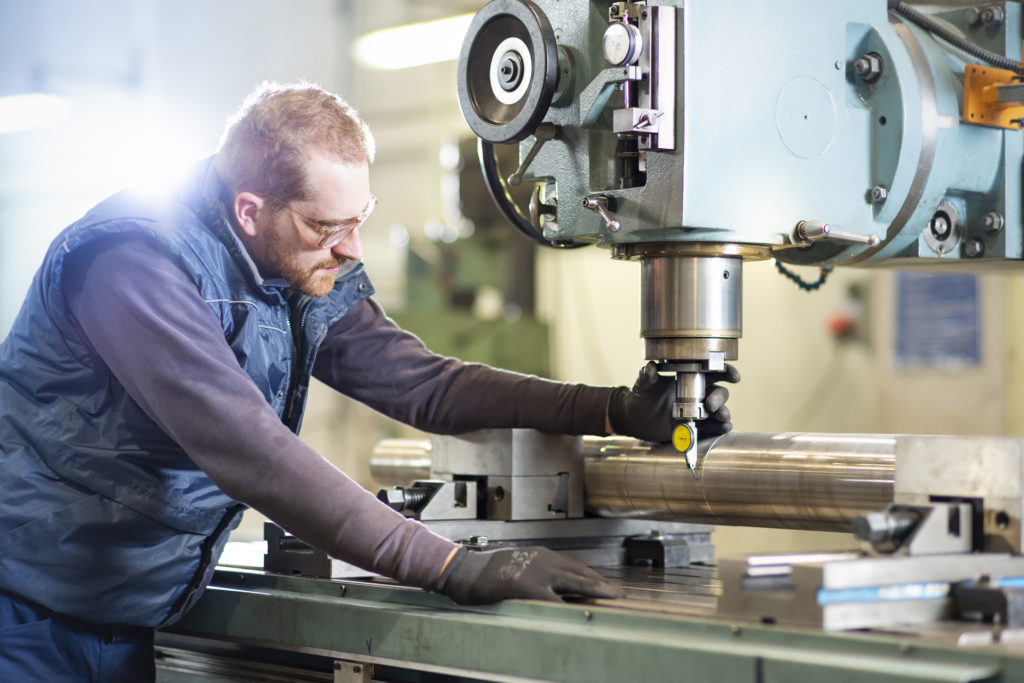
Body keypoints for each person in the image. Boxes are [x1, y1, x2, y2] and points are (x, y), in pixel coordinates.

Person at [0, 82, 736, 681]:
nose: (351, 248)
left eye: (362, 219)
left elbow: (422, 384)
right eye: (329, 228)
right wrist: (449, 564)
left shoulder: (293, 261)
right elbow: (248, 451)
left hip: (124, 609)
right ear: (250, 211)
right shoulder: (135, 262)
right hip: (25, 608)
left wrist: (613, 408)